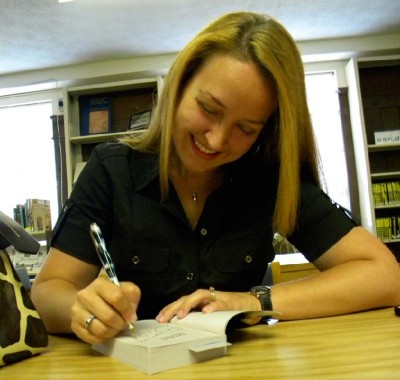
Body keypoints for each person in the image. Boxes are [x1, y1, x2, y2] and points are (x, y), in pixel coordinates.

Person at [31, 11, 400, 345]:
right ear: (178, 87)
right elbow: (48, 292)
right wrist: (83, 310)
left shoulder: (268, 178)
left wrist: (253, 301)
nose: (217, 141)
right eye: (209, 109)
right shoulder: (112, 169)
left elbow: (385, 275)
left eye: (246, 128)